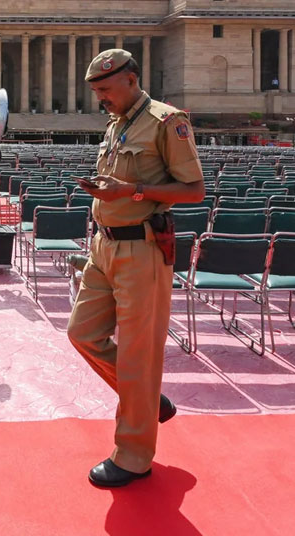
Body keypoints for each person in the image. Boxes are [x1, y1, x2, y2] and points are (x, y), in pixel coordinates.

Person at [68, 48, 204, 488]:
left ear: (131, 79)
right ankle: (146, 400)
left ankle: (133, 456)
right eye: (96, 92)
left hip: (142, 250)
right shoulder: (117, 123)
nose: (100, 99)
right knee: (82, 334)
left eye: (105, 90)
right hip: (103, 247)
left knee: (137, 356)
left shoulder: (167, 121)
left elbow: (195, 190)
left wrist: (135, 190)